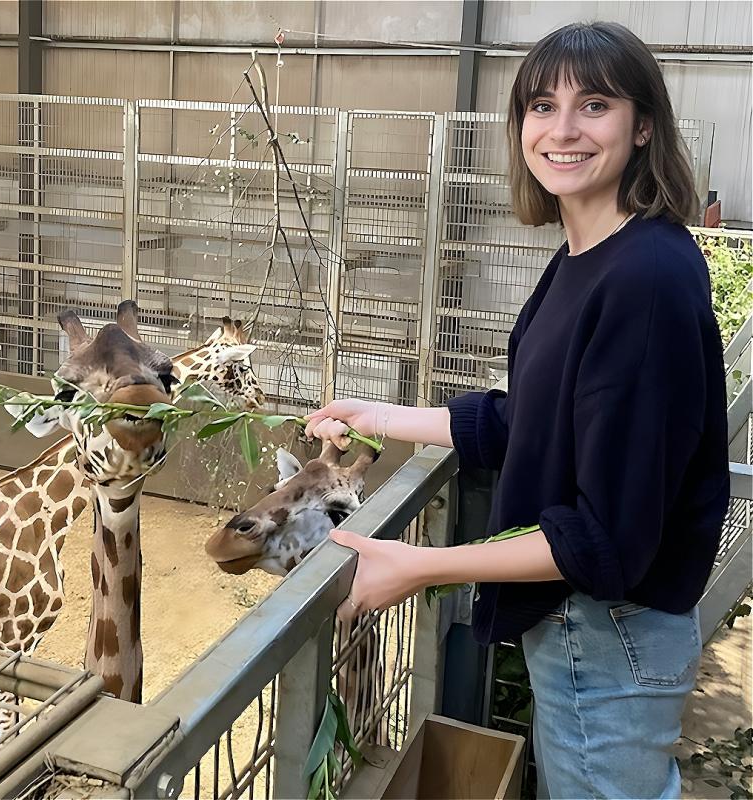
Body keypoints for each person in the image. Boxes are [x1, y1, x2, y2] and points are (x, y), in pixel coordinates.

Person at [304, 21, 730, 800]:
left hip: (609, 633)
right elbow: (531, 421)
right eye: (542, 105)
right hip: (586, 634)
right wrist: (382, 415)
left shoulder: (644, 281)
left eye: (593, 105)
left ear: (642, 126)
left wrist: (424, 567)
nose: (562, 129)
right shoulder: (585, 258)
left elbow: (607, 540)